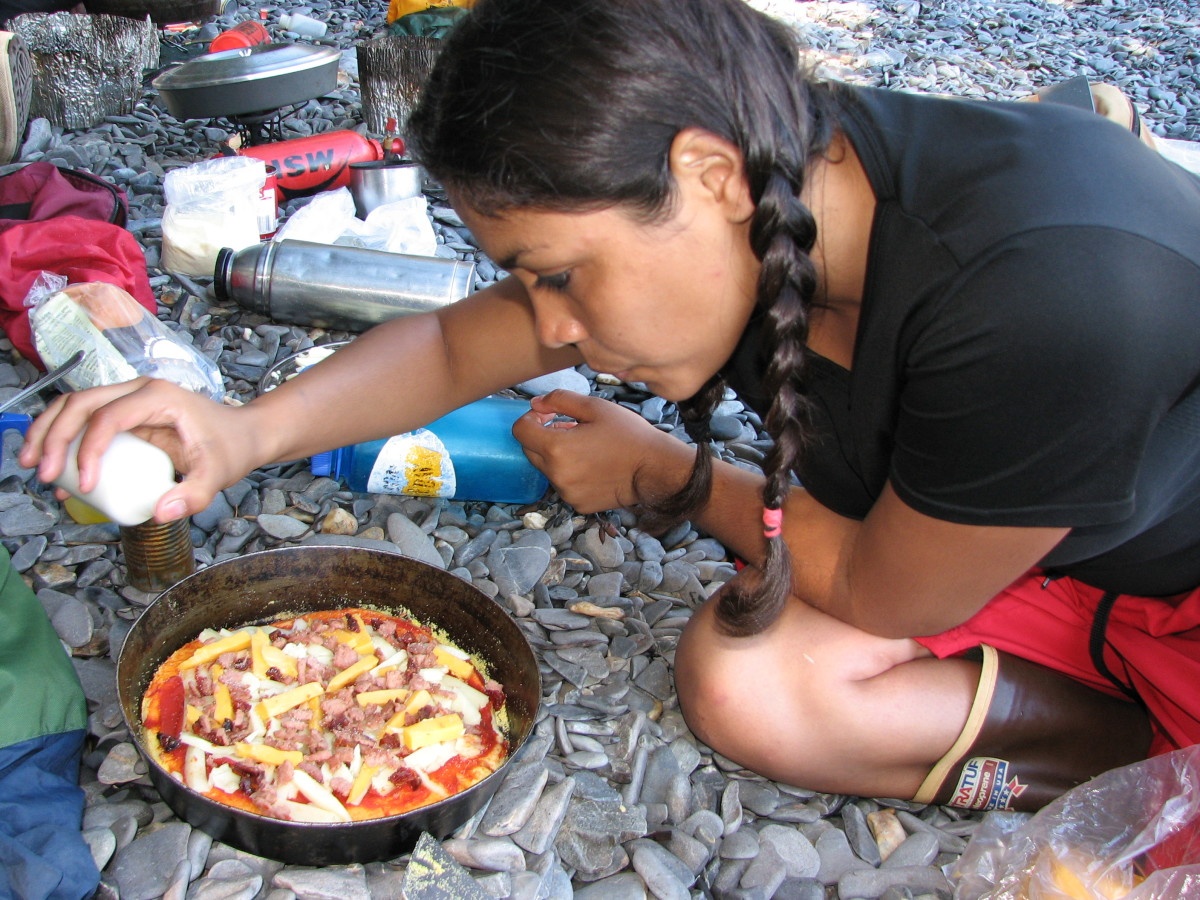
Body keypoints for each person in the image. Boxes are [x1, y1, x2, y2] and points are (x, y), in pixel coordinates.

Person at [21, 0, 1200, 812]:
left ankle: (1164, 762)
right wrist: (241, 432)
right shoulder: (772, 182)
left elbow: (884, 589)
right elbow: (452, 338)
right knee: (741, 678)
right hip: (1001, 540)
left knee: (763, 681)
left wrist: (666, 476)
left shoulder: (1053, 290)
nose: (549, 329)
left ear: (706, 175)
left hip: (1149, 586)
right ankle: (1117, 743)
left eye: (559, 275)